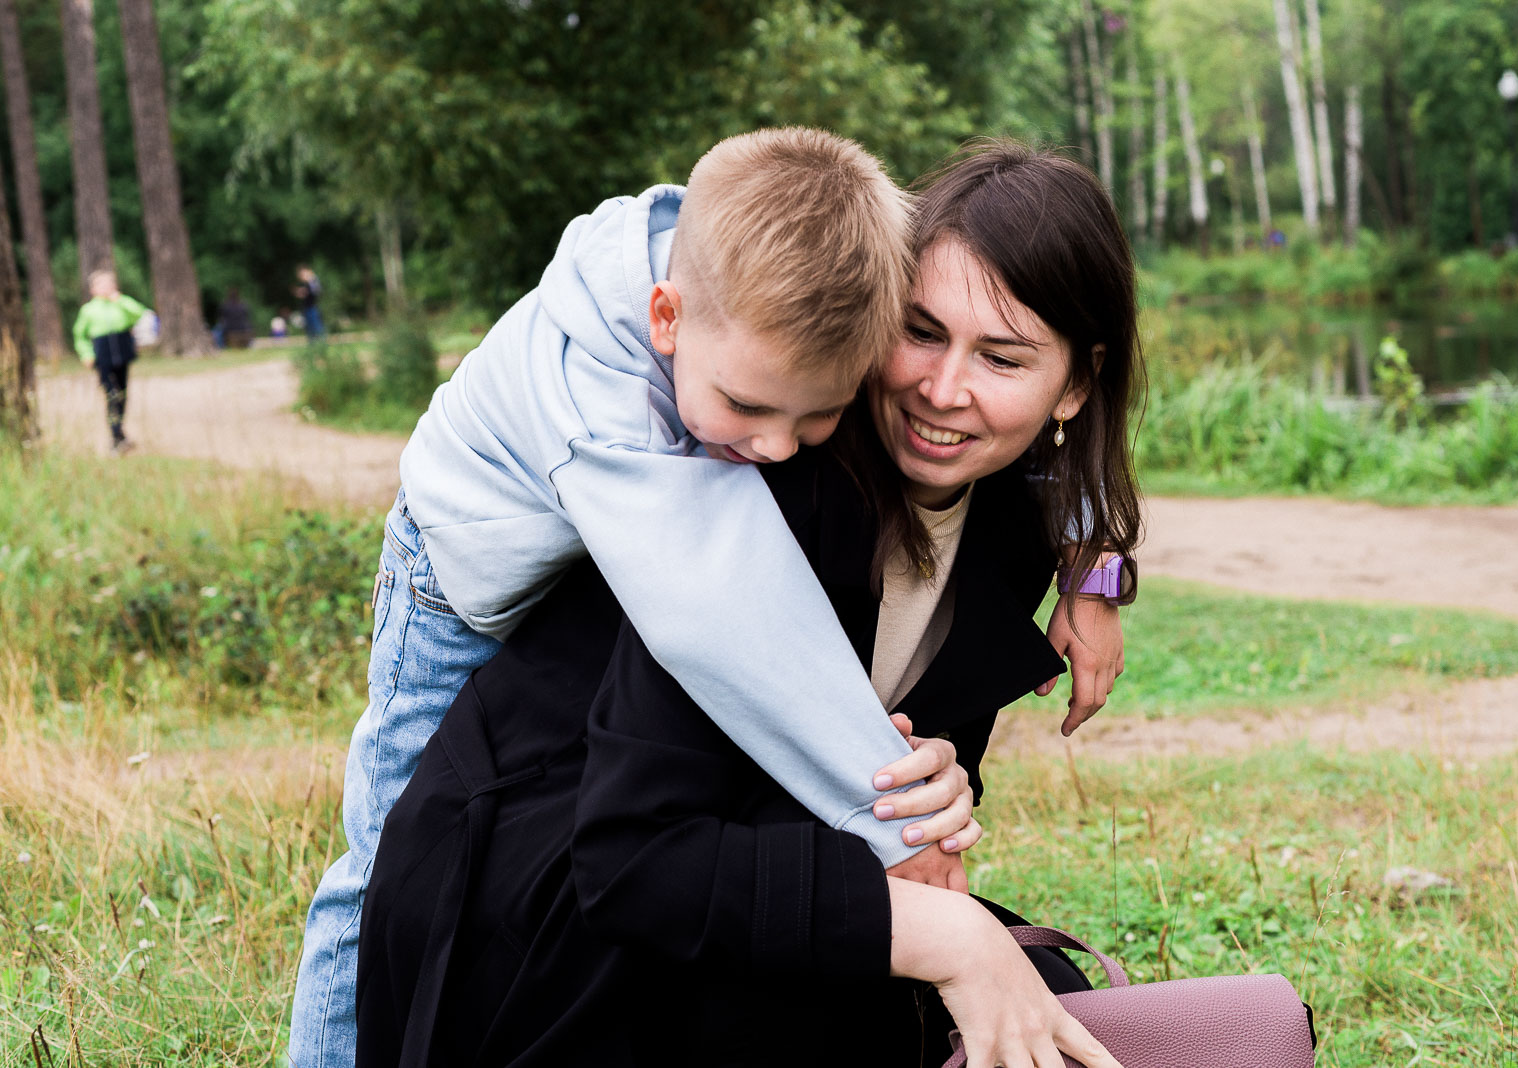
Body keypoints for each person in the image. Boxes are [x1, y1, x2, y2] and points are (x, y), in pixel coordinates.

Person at [356, 142, 1142, 1068]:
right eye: (920, 332)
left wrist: (929, 789)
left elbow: (888, 834)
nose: (942, 392)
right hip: (543, 919)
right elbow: (629, 860)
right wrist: (938, 927)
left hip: (725, 901)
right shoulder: (754, 484)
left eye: (1003, 359)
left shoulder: (1011, 531)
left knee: (1047, 1015)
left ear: (1075, 385)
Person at [72, 269, 149, 455]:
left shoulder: (121, 304)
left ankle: (119, 433)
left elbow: (139, 314)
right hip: (103, 357)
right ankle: (116, 436)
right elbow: (79, 336)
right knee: (112, 394)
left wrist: (120, 300)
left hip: (122, 353)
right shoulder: (89, 310)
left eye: (109, 284)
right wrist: (86, 355)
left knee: (122, 394)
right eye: (101, 285)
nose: (106, 288)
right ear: (93, 289)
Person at [295, 265, 325, 339]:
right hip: (307, 307)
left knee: (316, 327)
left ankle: (321, 342)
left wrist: (310, 280)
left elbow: (316, 291)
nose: (301, 277)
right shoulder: (307, 283)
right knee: (309, 328)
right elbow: (307, 293)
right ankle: (313, 343)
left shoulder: (313, 280)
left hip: (312, 307)